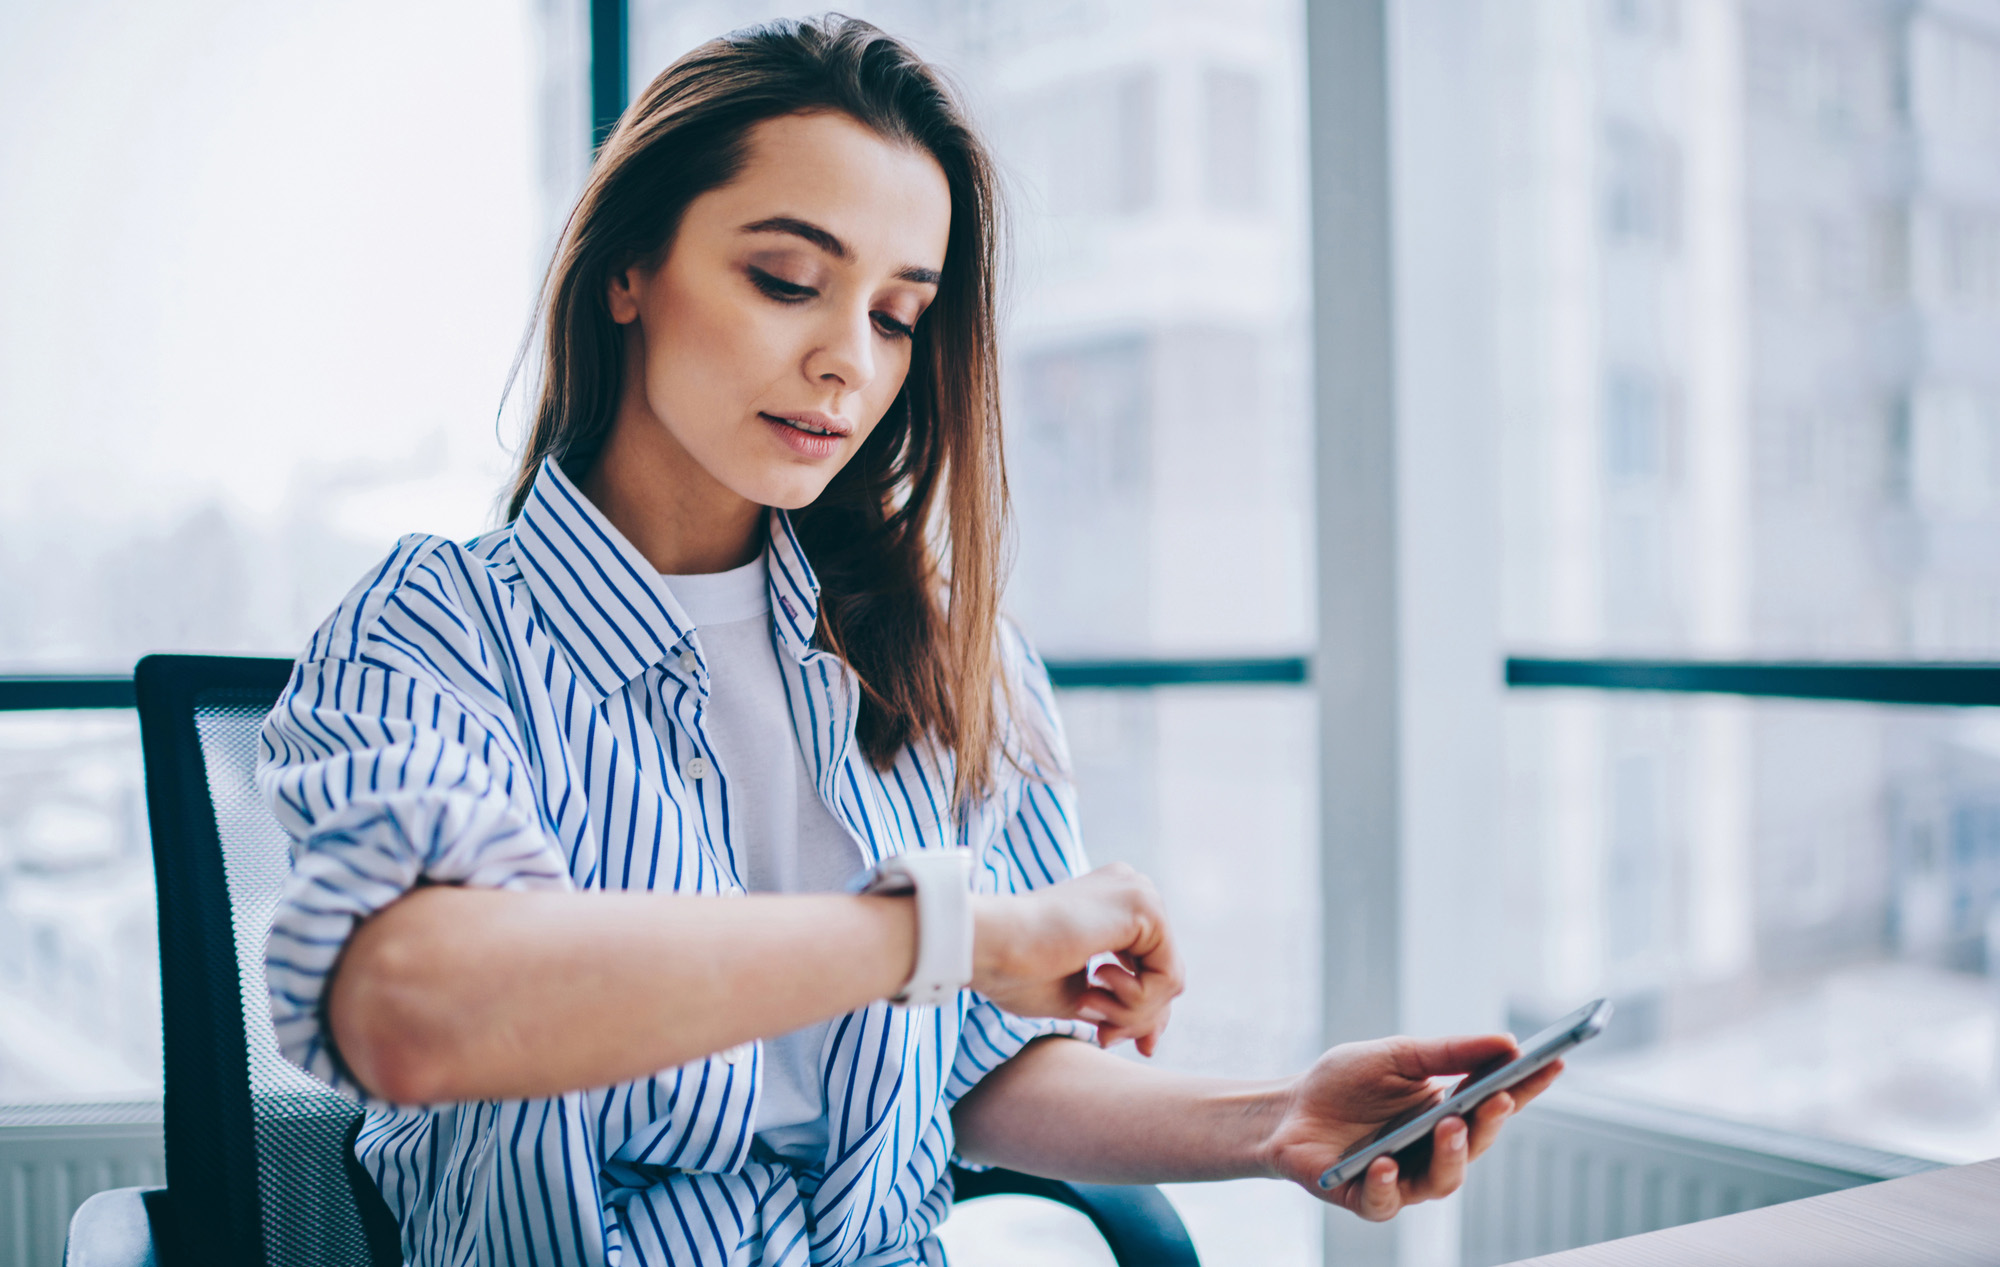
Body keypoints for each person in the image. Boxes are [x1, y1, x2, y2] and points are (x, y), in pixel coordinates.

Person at [258, 15, 1556, 1266]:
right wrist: (946, 933)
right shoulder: (439, 628)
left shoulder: (941, 649)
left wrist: (1274, 1122)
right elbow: (412, 1013)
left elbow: (987, 1071)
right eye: (785, 280)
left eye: (896, 314)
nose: (847, 363)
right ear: (625, 271)